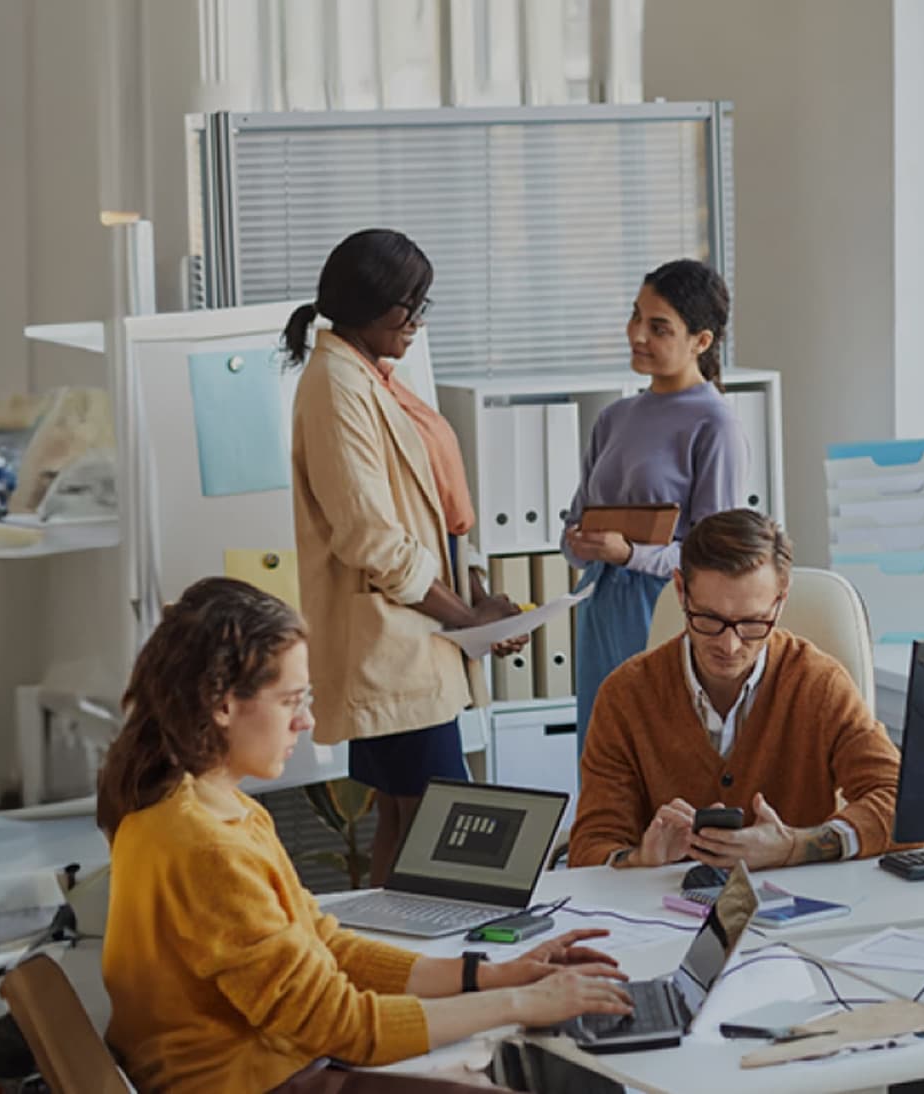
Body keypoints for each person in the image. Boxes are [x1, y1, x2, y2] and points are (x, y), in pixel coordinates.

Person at [97, 577, 631, 1094]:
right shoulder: (207, 846)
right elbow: (345, 1026)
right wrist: (522, 1003)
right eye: (291, 701)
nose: (305, 721)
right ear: (223, 705)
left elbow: (325, 946)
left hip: (266, 1067)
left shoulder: (208, 807)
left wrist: (495, 976)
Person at [284, 228, 527, 886]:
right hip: (392, 642)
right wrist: (465, 619)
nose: (418, 321)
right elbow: (371, 538)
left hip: (414, 638)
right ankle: (428, 963)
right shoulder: (338, 386)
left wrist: (475, 600)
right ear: (371, 306)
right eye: (410, 306)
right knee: (441, 823)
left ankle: (402, 964)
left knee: (407, 816)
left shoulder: (376, 377)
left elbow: (435, 508)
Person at [568, 509, 902, 869]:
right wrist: (638, 859)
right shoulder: (625, 695)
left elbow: (902, 803)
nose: (729, 646)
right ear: (681, 591)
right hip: (664, 914)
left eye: (753, 623)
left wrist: (796, 845)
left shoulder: (818, 684)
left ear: (780, 602)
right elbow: (591, 847)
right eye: (709, 619)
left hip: (797, 913)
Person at [561, 258, 749, 758]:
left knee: (659, 760)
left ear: (701, 341)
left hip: (664, 611)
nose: (637, 334)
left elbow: (716, 560)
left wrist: (631, 556)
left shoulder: (715, 426)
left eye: (658, 327)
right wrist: (578, 543)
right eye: (635, 317)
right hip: (600, 608)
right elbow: (575, 519)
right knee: (601, 757)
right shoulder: (614, 418)